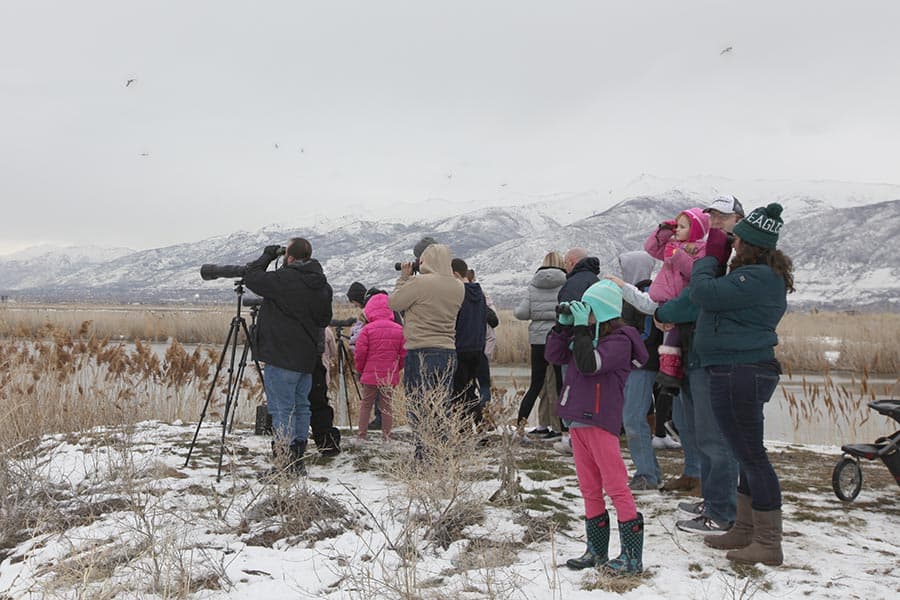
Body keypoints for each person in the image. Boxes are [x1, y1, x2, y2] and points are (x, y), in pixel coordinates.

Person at [691, 202, 793, 566]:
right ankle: (746, 528)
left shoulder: (757, 278)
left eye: (736, 240)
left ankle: (767, 540)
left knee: (752, 456)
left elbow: (703, 293)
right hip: (738, 371)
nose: (732, 245)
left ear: (750, 244)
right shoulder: (756, 274)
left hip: (740, 372)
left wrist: (707, 257)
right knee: (746, 452)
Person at [545, 280, 649, 574]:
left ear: (602, 311)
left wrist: (579, 331)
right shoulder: (586, 336)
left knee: (616, 486)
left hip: (600, 420)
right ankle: (596, 551)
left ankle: (631, 555)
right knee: (589, 487)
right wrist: (563, 327)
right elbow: (553, 356)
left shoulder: (620, 341)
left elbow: (589, 364)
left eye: (588, 309)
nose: (584, 314)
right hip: (577, 420)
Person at [244, 238, 333, 475]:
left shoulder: (284, 279)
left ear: (290, 258)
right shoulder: (322, 285)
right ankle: (297, 460)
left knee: (282, 409)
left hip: (281, 356)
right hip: (306, 358)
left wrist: (267, 256)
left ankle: (283, 460)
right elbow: (324, 320)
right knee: (302, 407)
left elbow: (251, 277)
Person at [389, 241, 464, 459]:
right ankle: (441, 452)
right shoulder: (458, 286)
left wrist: (404, 277)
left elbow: (394, 303)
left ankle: (424, 454)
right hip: (448, 351)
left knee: (418, 404)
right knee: (440, 405)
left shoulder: (420, 283)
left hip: (421, 350)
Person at [606, 250, 666, 492]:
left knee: (632, 419)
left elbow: (648, 334)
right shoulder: (632, 292)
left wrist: (624, 347)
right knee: (634, 418)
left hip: (642, 364)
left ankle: (647, 475)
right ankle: (650, 472)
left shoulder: (647, 294)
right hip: (637, 363)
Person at [643, 207, 710, 387]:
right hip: (666, 300)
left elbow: (693, 271)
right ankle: (668, 375)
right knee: (669, 339)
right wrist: (664, 231)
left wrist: (678, 255)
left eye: (682, 227)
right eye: (677, 226)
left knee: (674, 339)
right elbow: (650, 248)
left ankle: (669, 375)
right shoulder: (671, 245)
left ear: (695, 229)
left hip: (680, 300)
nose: (678, 230)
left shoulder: (701, 249)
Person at [513, 251, 566, 438]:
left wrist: (537, 313)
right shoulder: (566, 283)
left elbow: (520, 313)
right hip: (558, 338)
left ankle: (520, 426)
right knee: (561, 384)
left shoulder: (534, 284)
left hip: (537, 341)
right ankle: (562, 428)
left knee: (536, 385)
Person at [354, 293, 406, 441]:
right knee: (387, 406)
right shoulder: (399, 329)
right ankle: (386, 436)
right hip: (389, 375)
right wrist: (398, 368)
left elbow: (360, 354)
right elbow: (403, 354)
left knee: (366, 405)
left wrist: (360, 370)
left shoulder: (367, 330)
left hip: (370, 375)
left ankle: (362, 435)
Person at [450, 258, 489, 427]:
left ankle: (463, 432)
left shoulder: (458, 293)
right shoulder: (479, 293)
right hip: (477, 348)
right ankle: (479, 429)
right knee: (471, 391)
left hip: (459, 347)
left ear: (456, 274)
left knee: (457, 393)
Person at [308, 326, 341, 457]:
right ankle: (326, 443)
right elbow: (333, 352)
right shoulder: (325, 330)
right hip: (321, 370)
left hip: (299, 368)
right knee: (320, 403)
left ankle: (295, 441)